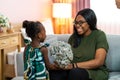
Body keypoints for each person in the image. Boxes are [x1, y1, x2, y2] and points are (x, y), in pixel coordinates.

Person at [49, 8, 109, 80]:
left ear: (90, 22)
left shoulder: (99, 35)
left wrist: (74, 66)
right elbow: (67, 59)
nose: (77, 25)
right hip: (74, 70)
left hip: (94, 72)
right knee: (54, 73)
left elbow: (99, 62)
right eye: (76, 22)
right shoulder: (73, 37)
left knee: (75, 73)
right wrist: (60, 64)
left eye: (81, 22)